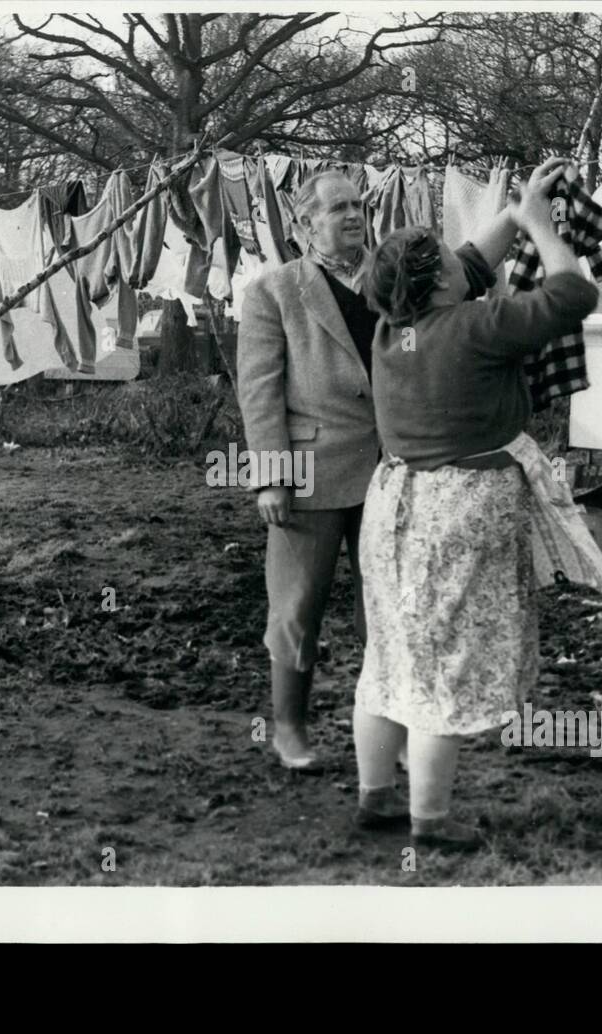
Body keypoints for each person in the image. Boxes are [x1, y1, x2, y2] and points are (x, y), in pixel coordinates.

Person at [352, 157, 602, 849]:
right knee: (447, 665)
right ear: (438, 282)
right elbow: (572, 294)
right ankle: (430, 821)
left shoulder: (391, 331)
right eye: (448, 262)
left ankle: (377, 797)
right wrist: (539, 227)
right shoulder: (476, 327)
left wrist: (522, 206)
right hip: (461, 507)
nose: (469, 262)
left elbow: (469, 258)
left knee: (392, 658)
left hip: (394, 504)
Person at [236, 170, 379, 772]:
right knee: (296, 607)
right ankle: (289, 728)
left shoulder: (392, 278)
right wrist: (270, 474)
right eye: (338, 208)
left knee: (387, 609)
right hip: (309, 472)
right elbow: (259, 389)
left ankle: (386, 735)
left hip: (388, 471)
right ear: (303, 224)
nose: (353, 216)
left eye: (358, 205)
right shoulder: (275, 291)